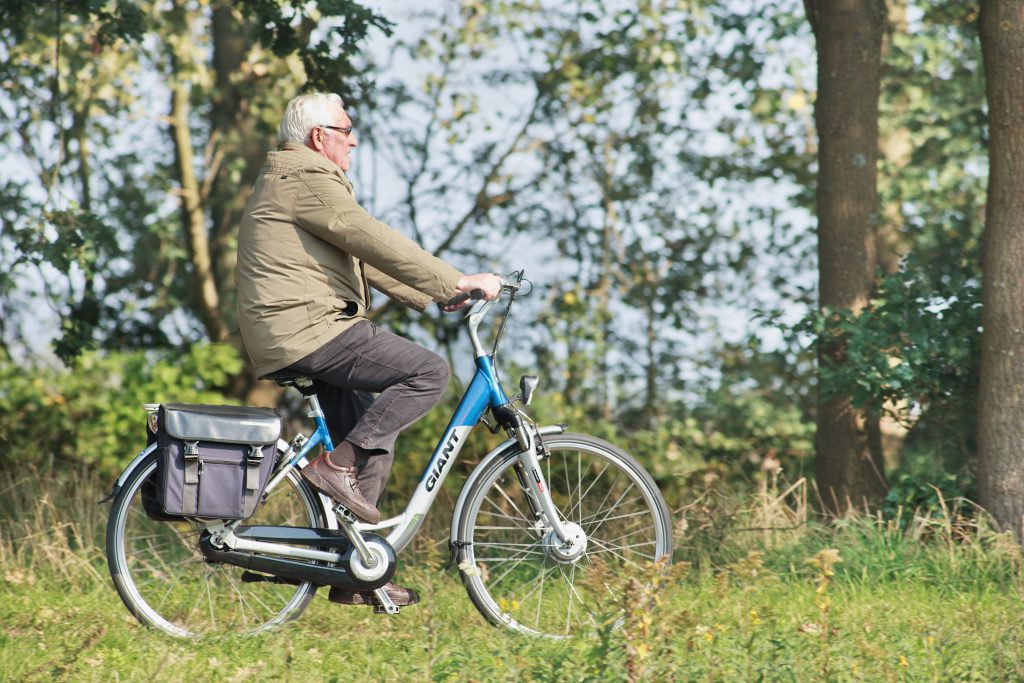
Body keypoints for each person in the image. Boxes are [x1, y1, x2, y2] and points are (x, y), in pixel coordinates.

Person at [235, 92, 501, 606]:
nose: (354, 139)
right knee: (426, 373)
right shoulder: (305, 178)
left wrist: (438, 290)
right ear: (318, 137)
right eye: (346, 129)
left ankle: (355, 571)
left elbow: (356, 252)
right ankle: (335, 470)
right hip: (307, 327)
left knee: (369, 430)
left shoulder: (291, 181)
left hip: (297, 327)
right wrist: (457, 277)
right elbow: (367, 234)